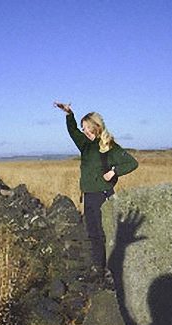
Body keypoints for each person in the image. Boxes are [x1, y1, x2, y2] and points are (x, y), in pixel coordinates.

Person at [54, 102, 138, 281]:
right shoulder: (85, 145)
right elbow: (72, 132)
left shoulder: (110, 147)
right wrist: (69, 114)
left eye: (86, 128)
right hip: (89, 197)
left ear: (96, 127)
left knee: (104, 233)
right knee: (93, 233)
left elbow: (132, 163)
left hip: (103, 196)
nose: (84, 132)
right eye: (83, 128)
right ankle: (97, 269)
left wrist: (114, 171)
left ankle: (111, 271)